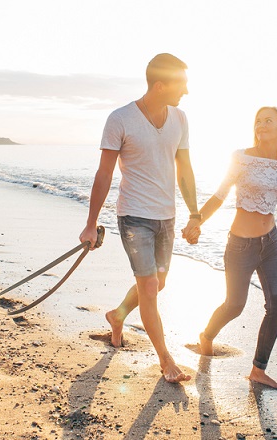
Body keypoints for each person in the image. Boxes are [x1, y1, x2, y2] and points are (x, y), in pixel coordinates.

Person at [79, 53, 199, 383]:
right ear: (160, 85)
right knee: (148, 286)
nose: (186, 91)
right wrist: (91, 224)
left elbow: (184, 169)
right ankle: (166, 360)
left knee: (157, 285)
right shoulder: (120, 119)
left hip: (167, 218)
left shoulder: (180, 118)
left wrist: (195, 213)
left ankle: (117, 316)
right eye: (182, 84)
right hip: (134, 218)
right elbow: (103, 175)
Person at [182, 106, 277, 390]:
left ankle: (258, 370)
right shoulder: (240, 158)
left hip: (272, 244)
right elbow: (220, 195)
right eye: (258, 120)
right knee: (235, 305)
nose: (262, 124)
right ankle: (207, 335)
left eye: (269, 120)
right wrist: (197, 220)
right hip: (241, 246)